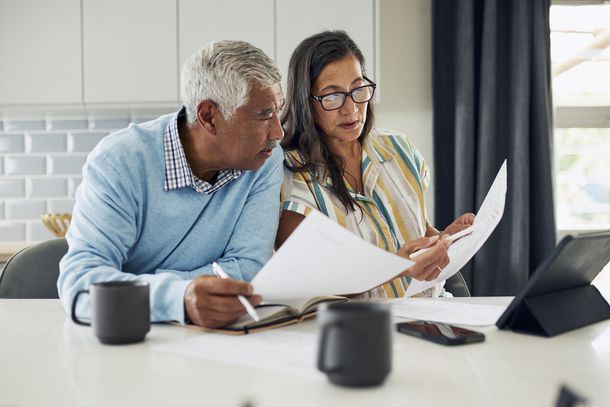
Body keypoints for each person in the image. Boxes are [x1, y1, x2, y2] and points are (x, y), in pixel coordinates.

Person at [58, 40, 285, 328]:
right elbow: (81, 284)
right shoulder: (119, 161)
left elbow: (247, 271)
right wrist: (179, 298)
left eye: (278, 111)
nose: (278, 131)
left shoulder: (265, 160)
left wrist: (143, 286)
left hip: (214, 340)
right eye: (264, 114)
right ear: (209, 117)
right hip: (130, 338)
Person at [276, 31, 474, 298]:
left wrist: (443, 240)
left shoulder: (398, 148)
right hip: (360, 329)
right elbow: (311, 280)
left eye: (358, 89)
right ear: (306, 101)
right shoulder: (288, 177)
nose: (351, 109)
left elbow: (419, 228)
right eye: (332, 97)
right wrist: (396, 267)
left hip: (433, 314)